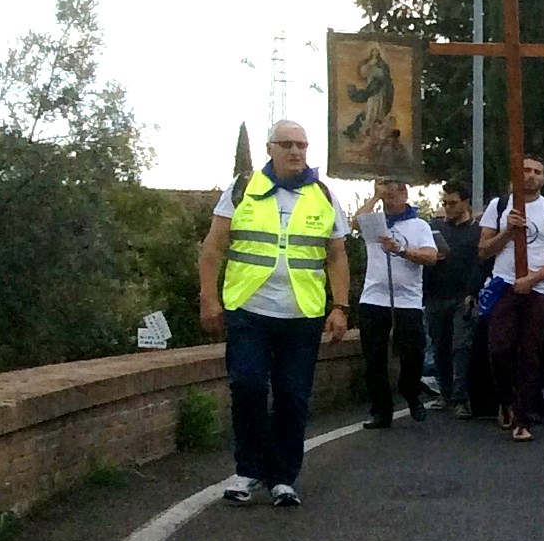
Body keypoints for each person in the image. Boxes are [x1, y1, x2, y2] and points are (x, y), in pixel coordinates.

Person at [199, 120, 350, 507]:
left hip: (302, 315)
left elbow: (336, 256)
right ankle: (248, 470)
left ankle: (283, 477)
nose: (296, 151)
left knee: (292, 396)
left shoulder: (323, 196)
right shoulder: (242, 190)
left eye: (302, 144)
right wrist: (209, 298)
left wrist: (340, 306)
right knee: (247, 385)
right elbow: (214, 247)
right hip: (249, 309)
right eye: (287, 144)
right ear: (270, 148)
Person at [479, 155, 544, 442]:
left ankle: (523, 417)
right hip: (504, 284)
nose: (531, 176)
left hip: (539, 288)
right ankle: (506, 399)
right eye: (525, 171)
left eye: (537, 172)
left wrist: (533, 278)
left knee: (530, 353)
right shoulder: (498, 206)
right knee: (499, 349)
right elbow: (483, 249)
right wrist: (508, 231)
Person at [353, 178, 439, 429]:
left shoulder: (419, 225)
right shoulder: (375, 222)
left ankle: (411, 391)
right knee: (374, 357)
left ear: (405, 195)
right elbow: (354, 223)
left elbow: (431, 256)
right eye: (385, 195)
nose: (389, 199)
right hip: (374, 297)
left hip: (407, 300)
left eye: (393, 194)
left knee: (412, 353)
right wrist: (374, 198)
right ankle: (381, 410)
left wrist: (401, 250)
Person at [425, 181, 480, 417]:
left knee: (461, 346)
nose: (448, 207)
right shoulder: (435, 228)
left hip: (462, 295)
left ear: (466, 203)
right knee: (440, 346)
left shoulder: (476, 231)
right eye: (445, 203)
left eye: (453, 203)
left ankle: (461, 396)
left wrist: (474, 292)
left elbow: (481, 263)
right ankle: (445, 392)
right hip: (436, 293)